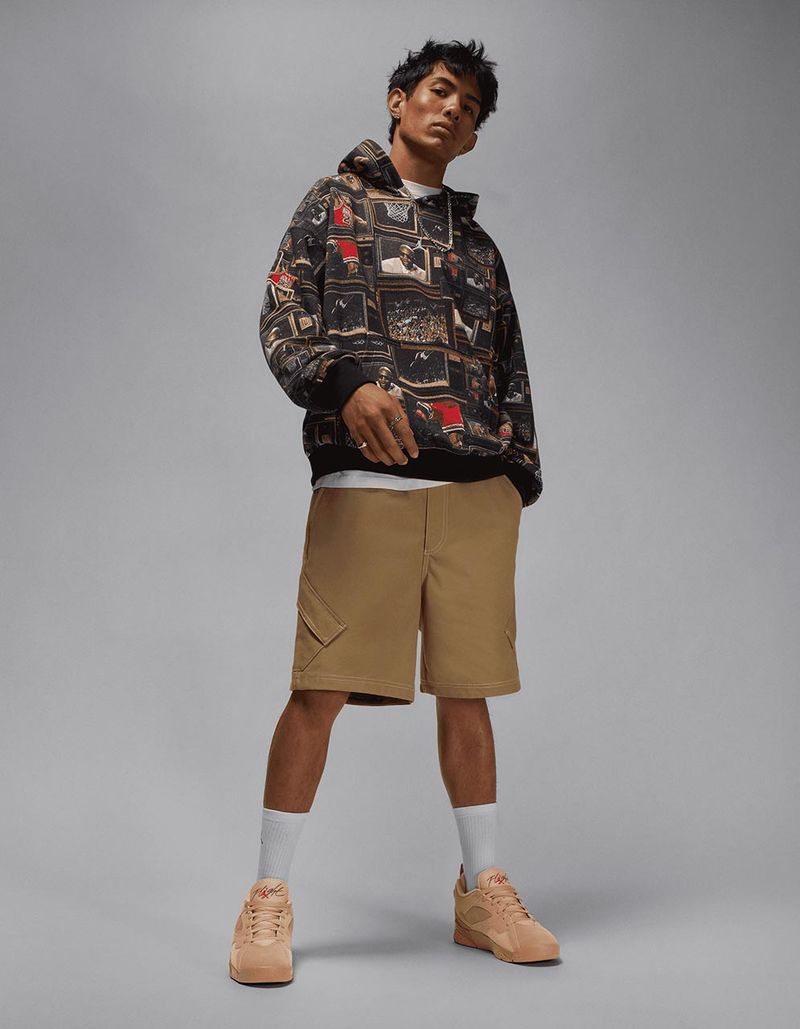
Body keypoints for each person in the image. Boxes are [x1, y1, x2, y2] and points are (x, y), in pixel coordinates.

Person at [229, 37, 559, 986]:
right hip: (364, 485)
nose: (453, 110)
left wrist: (518, 476)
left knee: (470, 689)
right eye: (440, 91)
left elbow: (510, 365)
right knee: (319, 688)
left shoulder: (478, 247)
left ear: (474, 136)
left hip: (475, 491)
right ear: (398, 99)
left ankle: (481, 889)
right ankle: (266, 893)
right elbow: (283, 313)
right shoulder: (332, 204)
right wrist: (340, 384)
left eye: (470, 107)